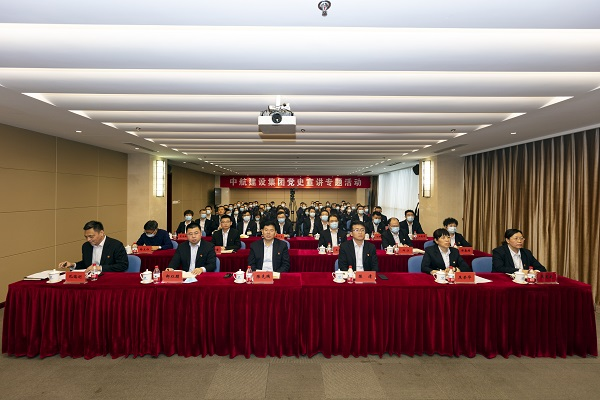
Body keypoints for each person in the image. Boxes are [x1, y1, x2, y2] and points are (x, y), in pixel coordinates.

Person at [58, 220, 128, 273]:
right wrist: (72, 265)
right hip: (90, 278)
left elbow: (122, 265)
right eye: (86, 237)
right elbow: (86, 264)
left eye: (91, 236)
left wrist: (99, 268)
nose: (88, 239)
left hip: (108, 279)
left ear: (101, 233)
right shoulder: (86, 246)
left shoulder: (116, 245)